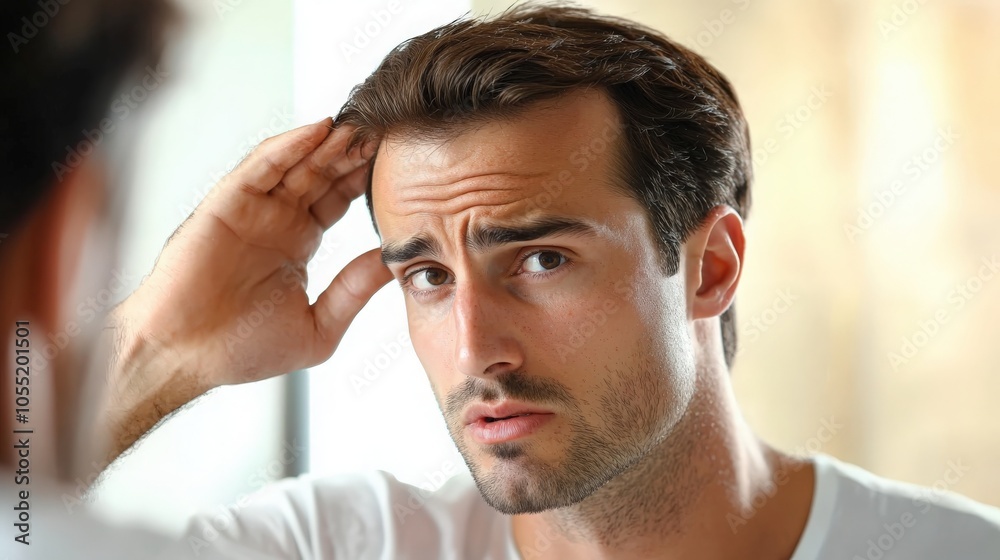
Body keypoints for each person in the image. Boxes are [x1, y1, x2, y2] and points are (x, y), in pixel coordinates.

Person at [2, 3, 998, 560]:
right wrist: (154, 355)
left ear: (712, 265)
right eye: (427, 273)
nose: (476, 348)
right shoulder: (338, 547)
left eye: (540, 258)